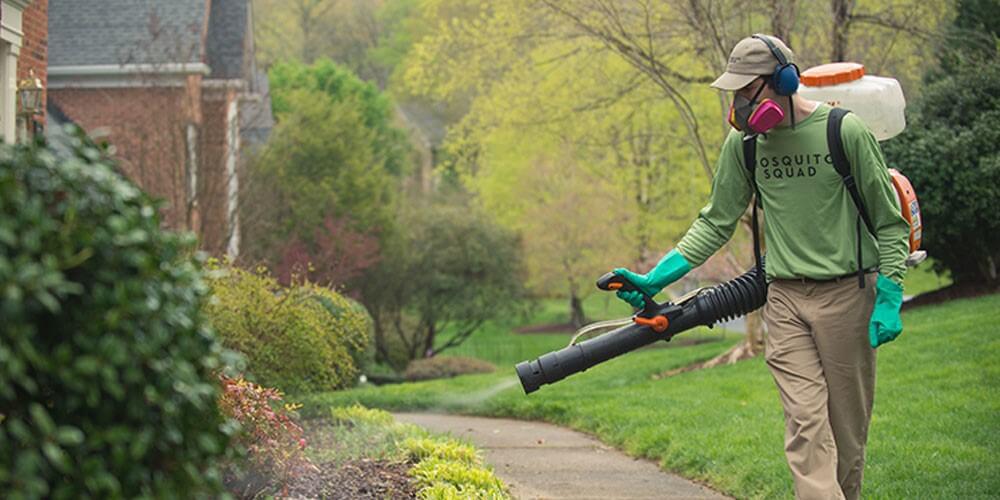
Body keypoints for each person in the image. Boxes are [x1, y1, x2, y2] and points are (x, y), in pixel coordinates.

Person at [612, 34, 909, 500]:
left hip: (848, 295)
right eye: (734, 94)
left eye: (746, 92)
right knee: (806, 428)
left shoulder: (843, 131)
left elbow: (891, 224)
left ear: (784, 81)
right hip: (786, 301)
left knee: (847, 437)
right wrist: (656, 277)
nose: (739, 107)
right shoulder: (745, 145)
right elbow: (715, 222)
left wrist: (889, 294)